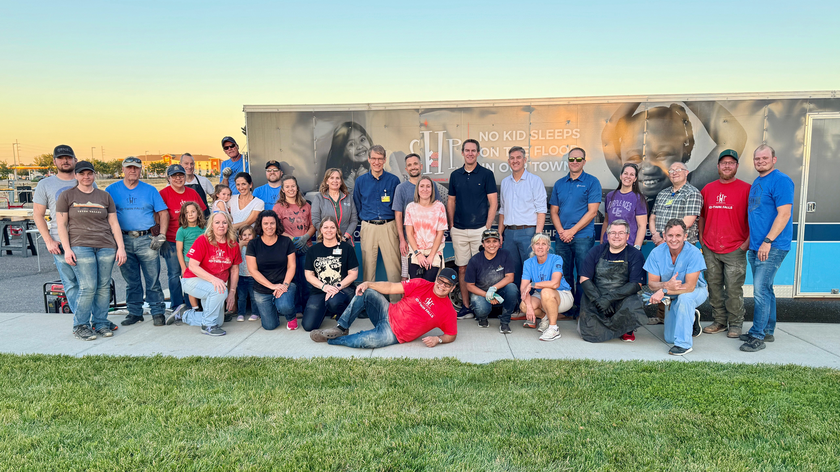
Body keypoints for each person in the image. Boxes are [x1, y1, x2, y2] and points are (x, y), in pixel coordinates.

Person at [601, 101, 747, 204]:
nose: (648, 167)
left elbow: (734, 138)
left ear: (685, 150)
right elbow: (607, 139)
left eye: (663, 155)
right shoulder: (629, 179)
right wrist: (640, 94)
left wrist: (689, 96)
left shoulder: (689, 186)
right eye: (635, 157)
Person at [55, 160, 127, 340]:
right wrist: (67, 249)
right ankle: (80, 325)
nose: (86, 177)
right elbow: (61, 225)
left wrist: (121, 247)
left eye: (89, 173)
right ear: (76, 175)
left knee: (103, 287)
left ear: (94, 174)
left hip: (106, 246)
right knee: (88, 287)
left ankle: (101, 322)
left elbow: (113, 223)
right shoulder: (66, 196)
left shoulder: (104, 196)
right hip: (80, 245)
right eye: (82, 174)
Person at [309, 268, 459, 349]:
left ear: (452, 289)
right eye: (441, 281)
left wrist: (438, 339)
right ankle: (341, 328)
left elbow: (451, 334)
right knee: (366, 292)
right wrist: (368, 283)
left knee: (365, 341)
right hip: (386, 311)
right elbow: (391, 287)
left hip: (394, 334)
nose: (442, 286)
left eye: (447, 285)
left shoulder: (448, 311)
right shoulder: (421, 284)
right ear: (436, 279)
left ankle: (334, 340)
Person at [739, 144, 794, 353]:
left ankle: (757, 335)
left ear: (774, 159)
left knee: (760, 291)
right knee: (767, 289)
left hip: (772, 246)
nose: (760, 162)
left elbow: (784, 214)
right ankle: (768, 329)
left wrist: (768, 241)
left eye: (764, 158)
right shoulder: (758, 181)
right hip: (756, 246)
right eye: (757, 159)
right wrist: (751, 242)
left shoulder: (781, 181)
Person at [33, 145, 96, 318]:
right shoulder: (45, 184)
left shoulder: (85, 180)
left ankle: (95, 318)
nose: (65, 161)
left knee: (91, 283)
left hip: (86, 239)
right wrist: (48, 241)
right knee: (71, 283)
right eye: (61, 158)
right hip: (59, 241)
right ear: (54, 161)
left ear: (75, 159)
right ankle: (81, 320)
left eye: (68, 157)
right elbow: (38, 215)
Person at [105, 156, 169, 326]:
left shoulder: (150, 190)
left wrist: (161, 235)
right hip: (123, 239)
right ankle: (135, 312)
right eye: (129, 167)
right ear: (123, 169)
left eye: (136, 168)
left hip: (146, 239)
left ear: (141, 170)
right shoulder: (111, 190)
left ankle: (157, 311)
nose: (132, 171)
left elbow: (163, 213)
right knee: (131, 280)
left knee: (153, 279)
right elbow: (104, 215)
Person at [698, 149, 751, 339]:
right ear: (718, 166)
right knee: (714, 287)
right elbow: (702, 216)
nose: (727, 166)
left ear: (736, 166)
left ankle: (735, 324)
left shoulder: (747, 189)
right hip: (710, 248)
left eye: (731, 163)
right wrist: (702, 240)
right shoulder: (708, 189)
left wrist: (746, 244)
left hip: (735, 249)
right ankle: (719, 321)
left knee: (734, 289)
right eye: (723, 163)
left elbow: (754, 219)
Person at [447, 139, 498, 318]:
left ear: (478, 153)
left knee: (481, 269)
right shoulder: (455, 175)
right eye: (467, 150)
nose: (470, 153)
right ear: (462, 153)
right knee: (462, 268)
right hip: (459, 230)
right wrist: (451, 225)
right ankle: (467, 306)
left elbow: (493, 203)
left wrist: (487, 227)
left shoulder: (486, 174)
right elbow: (451, 201)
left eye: (473, 150)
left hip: (480, 230)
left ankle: (481, 306)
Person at [549, 147, 602, 319]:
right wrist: (561, 231)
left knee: (583, 274)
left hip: (583, 237)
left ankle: (582, 309)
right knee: (563, 274)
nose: (574, 162)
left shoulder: (592, 182)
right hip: (562, 237)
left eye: (578, 159)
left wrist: (572, 230)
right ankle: (567, 308)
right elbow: (554, 211)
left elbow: (593, 212)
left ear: (584, 162)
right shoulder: (559, 184)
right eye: (571, 159)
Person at [167, 212, 240, 336]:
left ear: (229, 225)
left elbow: (234, 269)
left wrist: (232, 291)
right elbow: (192, 266)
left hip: (213, 285)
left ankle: (184, 315)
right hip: (192, 281)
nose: (221, 225)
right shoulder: (203, 240)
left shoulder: (233, 244)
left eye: (224, 222)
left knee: (219, 321)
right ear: (211, 225)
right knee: (220, 292)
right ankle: (208, 326)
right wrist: (213, 280)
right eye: (217, 222)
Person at [644, 219, 707, 356]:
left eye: (678, 235)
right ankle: (692, 318)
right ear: (664, 236)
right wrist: (666, 285)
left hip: (695, 291)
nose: (674, 239)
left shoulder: (694, 253)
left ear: (685, 236)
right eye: (670, 235)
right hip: (672, 294)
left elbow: (690, 287)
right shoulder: (656, 253)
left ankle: (684, 345)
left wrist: (664, 290)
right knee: (669, 338)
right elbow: (651, 284)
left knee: (685, 299)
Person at [577, 220, 647, 343]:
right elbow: (584, 279)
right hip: (597, 297)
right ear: (607, 235)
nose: (616, 236)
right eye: (613, 233)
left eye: (621, 233)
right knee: (590, 334)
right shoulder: (595, 251)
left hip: (622, 298)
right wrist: (599, 300)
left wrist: (609, 299)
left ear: (627, 236)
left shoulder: (636, 255)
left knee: (633, 302)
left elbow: (637, 284)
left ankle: (627, 330)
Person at [353, 144, 402, 300]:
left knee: (394, 267)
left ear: (385, 160)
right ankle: (369, 303)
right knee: (368, 267)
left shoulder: (393, 180)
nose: (377, 162)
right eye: (373, 158)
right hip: (369, 226)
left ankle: (396, 303)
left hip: (389, 226)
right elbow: (357, 203)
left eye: (380, 159)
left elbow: (398, 205)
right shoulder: (360, 181)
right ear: (368, 159)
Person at [159, 164, 207, 313]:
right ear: (169, 178)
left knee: (191, 273)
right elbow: (158, 215)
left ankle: (192, 303)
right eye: (174, 176)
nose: (178, 178)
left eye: (180, 175)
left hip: (193, 242)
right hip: (172, 239)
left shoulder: (192, 193)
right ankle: (177, 305)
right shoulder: (163, 193)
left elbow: (203, 213)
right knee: (174, 273)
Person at [498, 146, 547, 287]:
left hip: (528, 233)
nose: (515, 161)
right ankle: (517, 304)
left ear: (525, 160)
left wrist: (538, 236)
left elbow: (541, 210)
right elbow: (502, 210)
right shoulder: (505, 182)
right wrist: (500, 233)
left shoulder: (535, 181)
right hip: (509, 233)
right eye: (512, 158)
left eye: (518, 157)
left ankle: (531, 303)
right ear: (508, 161)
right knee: (512, 271)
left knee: (531, 271)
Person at [302, 217, 359, 331]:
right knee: (308, 326)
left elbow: (353, 274)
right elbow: (309, 275)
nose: (329, 230)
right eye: (326, 227)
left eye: (332, 227)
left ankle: (341, 314)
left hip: (342, 289)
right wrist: (324, 287)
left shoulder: (346, 248)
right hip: (320, 290)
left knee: (334, 302)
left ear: (337, 230)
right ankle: (325, 309)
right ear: (321, 230)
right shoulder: (313, 250)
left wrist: (337, 287)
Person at [393, 153, 443, 281]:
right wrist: (402, 239)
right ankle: (408, 301)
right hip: (411, 243)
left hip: (432, 246)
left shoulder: (431, 185)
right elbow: (398, 214)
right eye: (409, 165)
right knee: (406, 276)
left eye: (415, 164)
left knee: (430, 280)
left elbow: (436, 210)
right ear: (406, 169)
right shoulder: (401, 188)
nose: (413, 167)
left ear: (421, 166)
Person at [246, 210, 298, 330]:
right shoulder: (253, 244)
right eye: (266, 223)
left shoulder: (286, 242)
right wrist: (272, 286)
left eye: (272, 223)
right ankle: (274, 307)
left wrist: (284, 285)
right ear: (260, 225)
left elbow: (292, 266)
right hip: (262, 289)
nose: (269, 226)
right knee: (270, 326)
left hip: (284, 283)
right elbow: (253, 270)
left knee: (285, 306)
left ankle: (290, 316)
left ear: (277, 224)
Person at [273, 175, 315, 318]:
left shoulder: (306, 205)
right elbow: (276, 228)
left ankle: (309, 309)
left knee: (307, 280)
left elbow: (312, 225)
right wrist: (293, 239)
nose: (291, 189)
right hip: (288, 249)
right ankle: (296, 309)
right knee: (293, 280)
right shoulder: (278, 207)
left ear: (297, 188)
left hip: (306, 248)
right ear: (283, 190)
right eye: (287, 187)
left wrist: (305, 238)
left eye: (293, 186)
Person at [519, 233, 574, 342]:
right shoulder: (528, 263)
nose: (540, 247)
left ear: (548, 247)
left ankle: (553, 329)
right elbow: (523, 288)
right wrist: (529, 306)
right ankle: (545, 318)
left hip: (562, 294)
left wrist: (533, 284)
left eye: (544, 244)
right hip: (541, 294)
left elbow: (555, 284)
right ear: (533, 247)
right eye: (537, 244)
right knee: (524, 306)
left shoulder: (556, 259)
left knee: (546, 291)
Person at [464, 229, 519, 333]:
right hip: (482, 294)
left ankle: (505, 322)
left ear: (499, 243)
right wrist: (487, 294)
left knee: (512, 288)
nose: (492, 244)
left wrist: (493, 289)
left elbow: (510, 277)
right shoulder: (474, 260)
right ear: (483, 244)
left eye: (495, 241)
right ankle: (482, 318)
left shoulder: (505, 254)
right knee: (481, 307)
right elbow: (469, 286)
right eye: (488, 241)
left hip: (500, 292)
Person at [404, 176, 448, 282]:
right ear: (417, 189)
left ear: (432, 190)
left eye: (428, 186)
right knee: (416, 286)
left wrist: (431, 256)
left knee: (429, 285)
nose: (425, 189)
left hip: (434, 252)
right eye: (422, 186)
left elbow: (440, 234)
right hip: (416, 253)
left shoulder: (439, 207)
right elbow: (409, 234)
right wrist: (418, 254)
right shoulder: (411, 207)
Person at [649, 162, 703, 246]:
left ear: (686, 173)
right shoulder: (662, 194)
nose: (674, 173)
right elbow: (652, 218)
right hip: (660, 244)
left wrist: (664, 237)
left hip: (682, 245)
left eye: (678, 169)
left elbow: (687, 222)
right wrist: (655, 235)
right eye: (671, 171)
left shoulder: (692, 193)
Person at [600, 163, 648, 249]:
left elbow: (642, 226)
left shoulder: (638, 198)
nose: (628, 176)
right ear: (621, 176)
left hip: (628, 245)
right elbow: (606, 221)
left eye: (632, 174)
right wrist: (602, 242)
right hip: (609, 244)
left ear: (635, 179)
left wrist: (637, 247)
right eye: (625, 173)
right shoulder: (610, 196)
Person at [311, 168, 358, 245]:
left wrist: (345, 237)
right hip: (325, 241)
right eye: (331, 178)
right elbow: (315, 220)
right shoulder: (319, 198)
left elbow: (354, 220)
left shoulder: (348, 197)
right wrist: (329, 235)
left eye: (337, 178)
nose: (335, 181)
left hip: (346, 242)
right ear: (327, 181)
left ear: (341, 181)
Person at [175, 201, 206, 316]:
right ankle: (195, 308)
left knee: (204, 284)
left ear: (198, 213)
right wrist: (183, 267)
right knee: (191, 286)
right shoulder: (182, 231)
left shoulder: (204, 229)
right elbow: (179, 250)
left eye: (193, 211)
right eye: (187, 213)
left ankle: (205, 307)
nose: (191, 214)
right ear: (184, 215)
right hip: (189, 262)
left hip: (203, 262)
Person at [324, 121, 372, 194]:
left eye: (362, 139)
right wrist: (357, 182)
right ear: (342, 152)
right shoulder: (338, 178)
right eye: (351, 144)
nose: (359, 146)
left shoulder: (383, 164)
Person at [236, 226, 259, 322]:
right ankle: (241, 313)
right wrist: (240, 245)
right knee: (241, 297)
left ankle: (255, 313)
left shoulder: (255, 246)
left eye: (249, 235)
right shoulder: (238, 246)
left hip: (252, 276)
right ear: (240, 237)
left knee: (254, 297)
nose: (247, 237)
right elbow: (235, 256)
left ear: (254, 236)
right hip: (241, 275)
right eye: (244, 235)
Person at [180, 152, 214, 218]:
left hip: (203, 220)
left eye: (191, 164)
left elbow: (215, 197)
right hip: (184, 220)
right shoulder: (175, 184)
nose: (189, 167)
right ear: (180, 164)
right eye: (186, 164)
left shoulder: (203, 181)